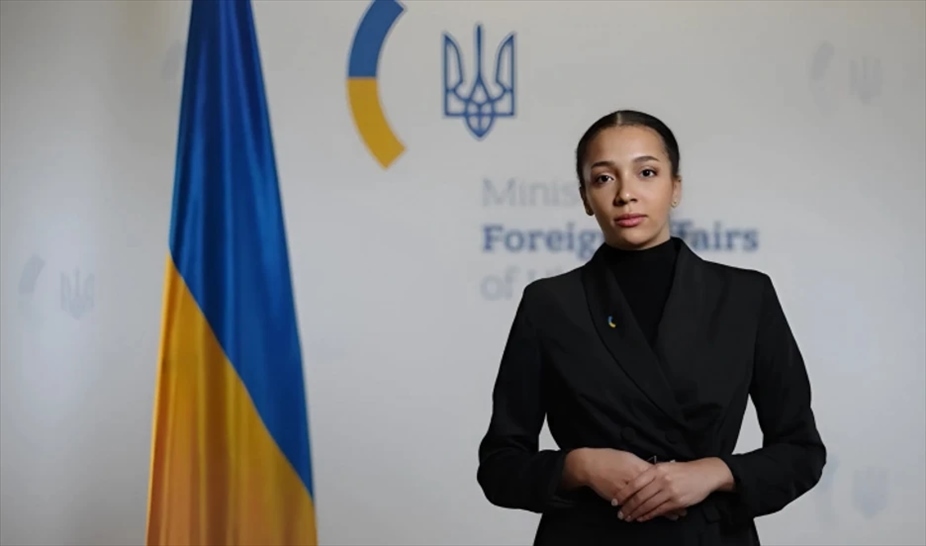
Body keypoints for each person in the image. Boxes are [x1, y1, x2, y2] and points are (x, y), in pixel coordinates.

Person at [476, 110, 826, 545]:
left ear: (675, 187)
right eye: (604, 178)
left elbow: (801, 452)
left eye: (646, 173)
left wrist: (714, 472)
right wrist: (580, 466)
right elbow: (500, 466)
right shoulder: (548, 303)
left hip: (708, 536)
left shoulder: (746, 296)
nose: (626, 194)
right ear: (585, 197)